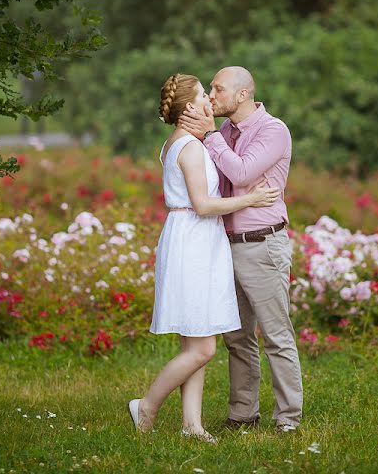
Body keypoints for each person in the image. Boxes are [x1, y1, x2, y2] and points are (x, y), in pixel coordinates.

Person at [127, 73, 280, 443]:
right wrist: (250, 199)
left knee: (194, 339)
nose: (211, 100)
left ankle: (191, 424)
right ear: (190, 108)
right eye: (203, 96)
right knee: (204, 347)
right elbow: (203, 204)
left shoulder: (179, 142)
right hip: (193, 242)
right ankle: (146, 405)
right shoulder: (192, 148)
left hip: (195, 240)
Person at [178, 66, 303, 433]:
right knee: (237, 338)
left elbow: (242, 173)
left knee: (276, 336)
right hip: (224, 245)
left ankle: (289, 419)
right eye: (210, 89)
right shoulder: (226, 131)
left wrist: (209, 136)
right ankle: (243, 413)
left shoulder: (273, 130)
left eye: (217, 89)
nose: (211, 96)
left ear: (243, 94)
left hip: (263, 244)